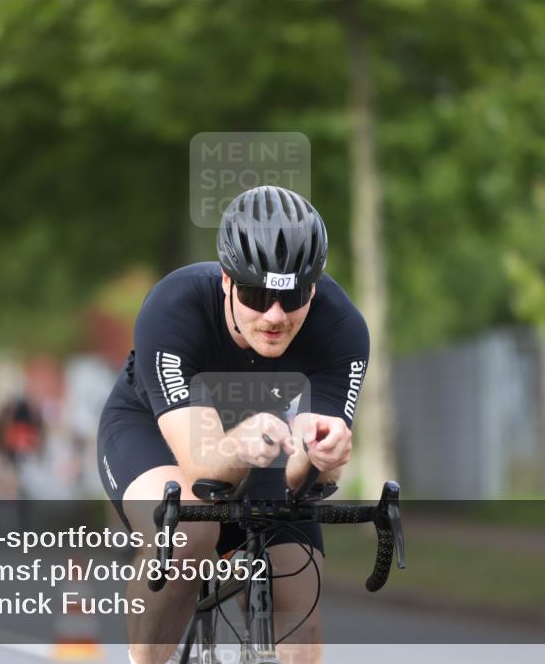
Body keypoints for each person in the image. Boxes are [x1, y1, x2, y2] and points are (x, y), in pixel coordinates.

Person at [97, 186, 369, 664]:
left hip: (264, 443)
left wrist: (322, 456)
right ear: (226, 279)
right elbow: (204, 471)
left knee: (300, 620)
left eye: (293, 296)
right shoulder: (174, 307)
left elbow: (303, 479)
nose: (274, 316)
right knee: (189, 534)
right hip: (156, 434)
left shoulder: (341, 329)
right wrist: (241, 442)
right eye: (257, 294)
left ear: (315, 285)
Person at [0, 395, 45, 500]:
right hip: (9, 451)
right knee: (9, 472)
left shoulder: (27, 427)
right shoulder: (9, 425)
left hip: (15, 451)